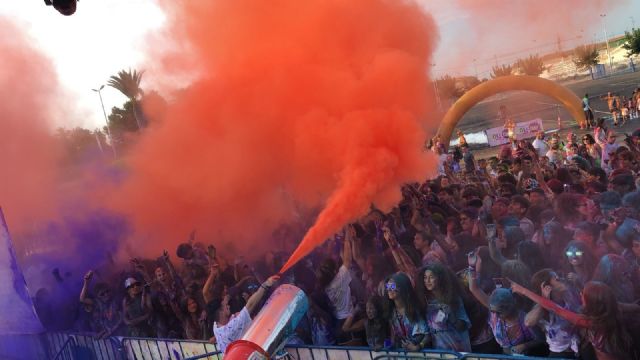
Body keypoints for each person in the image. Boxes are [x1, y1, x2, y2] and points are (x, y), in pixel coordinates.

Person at [511, 280, 634, 360]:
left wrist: (522, 290)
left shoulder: (591, 323)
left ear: (591, 302)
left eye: (583, 293)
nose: (580, 293)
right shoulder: (611, 307)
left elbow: (555, 309)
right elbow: (636, 307)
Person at [210, 274, 280, 353]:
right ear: (220, 313)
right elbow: (250, 305)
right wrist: (266, 284)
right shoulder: (232, 327)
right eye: (225, 306)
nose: (228, 306)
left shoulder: (216, 325)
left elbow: (227, 299)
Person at [415, 264, 472, 352]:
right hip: (440, 351)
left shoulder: (454, 298)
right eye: (425, 277)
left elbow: (463, 326)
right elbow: (427, 331)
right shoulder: (425, 302)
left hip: (458, 349)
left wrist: (452, 316)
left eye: (431, 277)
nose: (427, 281)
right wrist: (419, 344)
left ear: (440, 278)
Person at [385, 272, 429, 350]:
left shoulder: (415, 309)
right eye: (388, 286)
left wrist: (418, 346)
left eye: (392, 286)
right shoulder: (392, 312)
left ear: (402, 287)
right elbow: (393, 336)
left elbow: (428, 334)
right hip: (403, 354)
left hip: (420, 354)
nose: (389, 289)